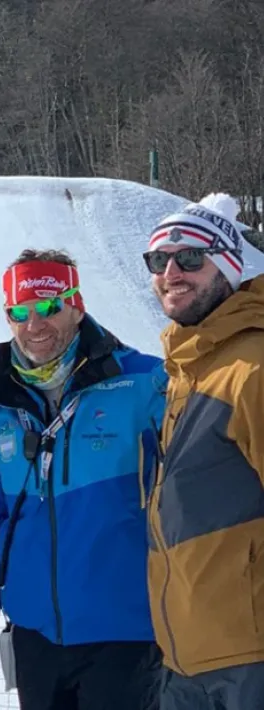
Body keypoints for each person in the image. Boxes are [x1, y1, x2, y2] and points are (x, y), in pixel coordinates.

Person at [0, 249, 165, 709]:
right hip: (35, 637)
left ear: (76, 305)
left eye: (48, 307)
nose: (34, 324)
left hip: (128, 631)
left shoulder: (144, 383)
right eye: (19, 312)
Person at [143, 194, 264, 709]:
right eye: (159, 260)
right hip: (185, 655)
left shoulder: (251, 369)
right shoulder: (185, 372)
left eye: (192, 258)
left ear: (229, 267)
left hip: (247, 660)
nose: (173, 271)